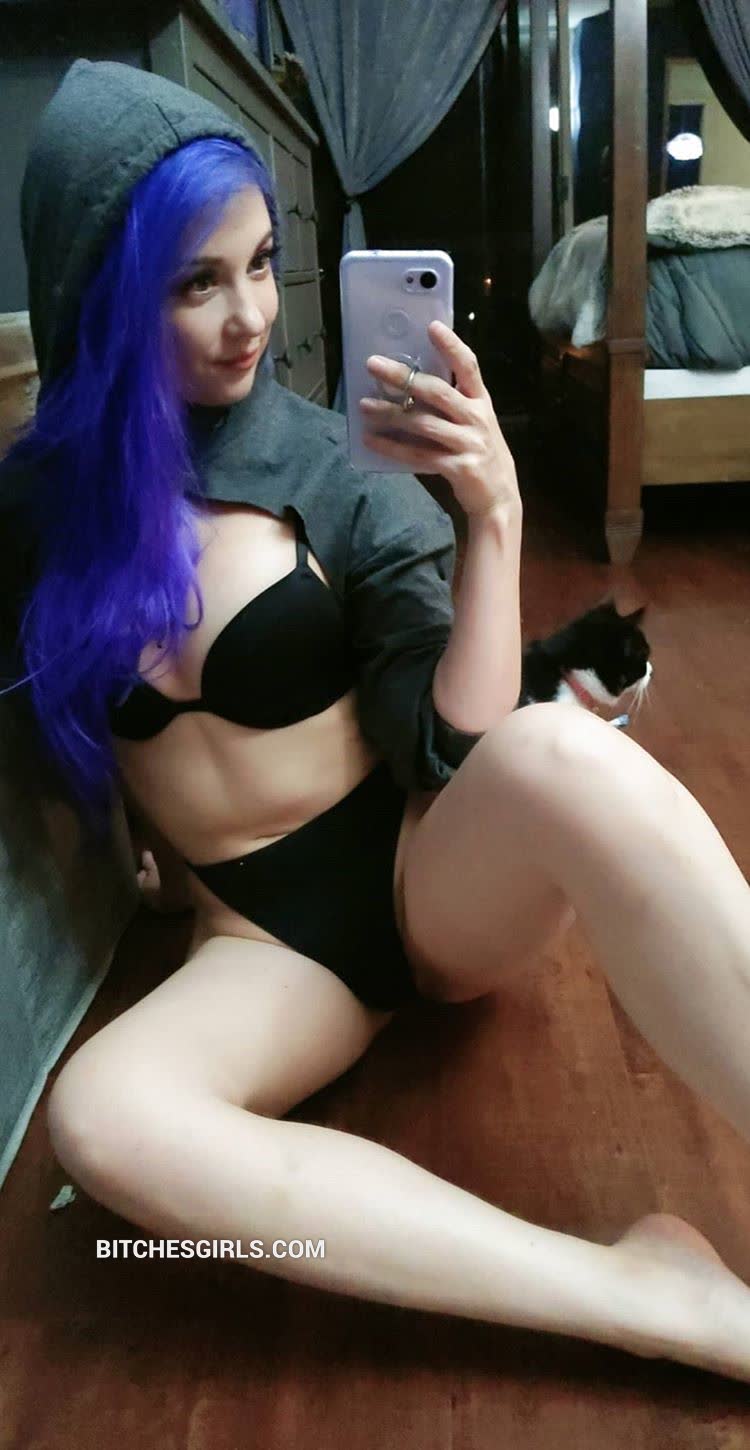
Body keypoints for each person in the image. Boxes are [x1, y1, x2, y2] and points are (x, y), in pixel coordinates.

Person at [3, 59, 750, 1386]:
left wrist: (493, 519)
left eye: (260, 264)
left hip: (423, 877)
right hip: (266, 956)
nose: (249, 316)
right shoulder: (39, 514)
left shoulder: (340, 471)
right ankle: (648, 1297)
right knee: (102, 1121)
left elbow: (447, 748)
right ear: (95, 294)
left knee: (555, 744)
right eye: (193, 282)